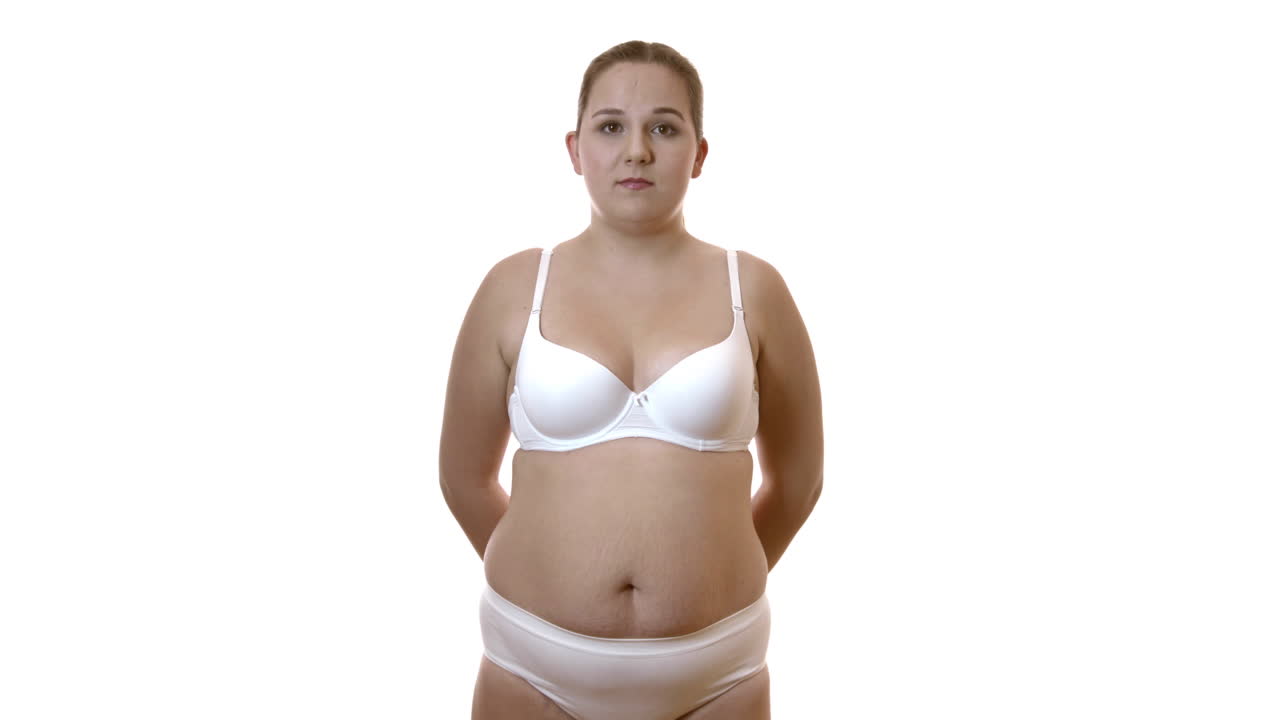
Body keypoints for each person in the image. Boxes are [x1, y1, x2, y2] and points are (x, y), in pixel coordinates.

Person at [439, 40, 824, 720]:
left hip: (717, 672)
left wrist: (715, 571)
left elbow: (798, 481)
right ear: (574, 147)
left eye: (665, 127)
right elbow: (462, 477)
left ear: (700, 153)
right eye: (611, 126)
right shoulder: (512, 287)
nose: (637, 150)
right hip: (532, 663)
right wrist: (546, 573)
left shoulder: (755, 289)